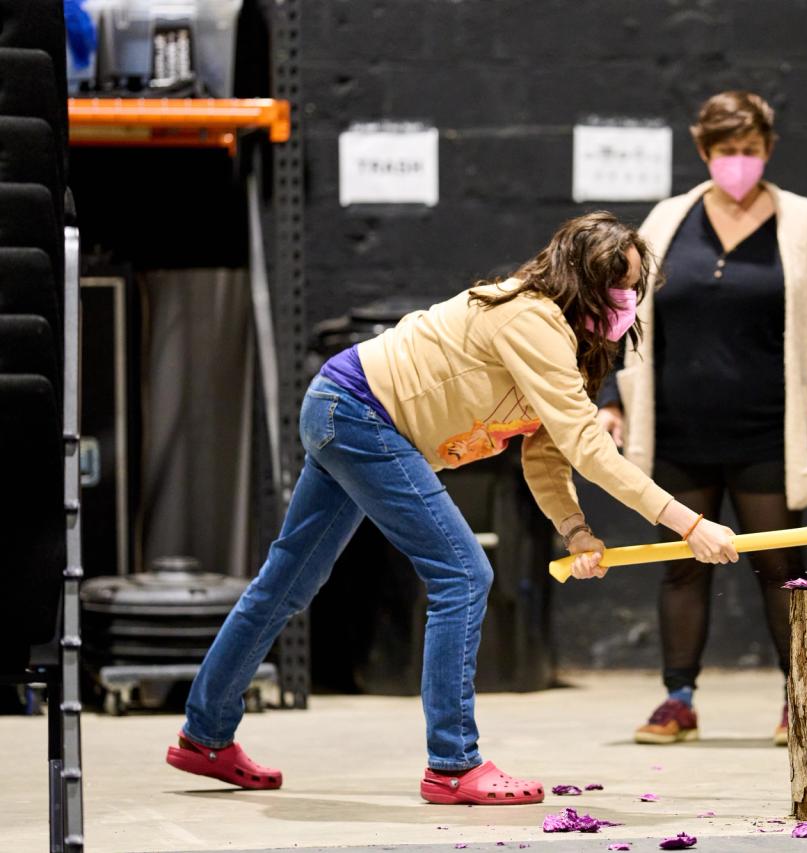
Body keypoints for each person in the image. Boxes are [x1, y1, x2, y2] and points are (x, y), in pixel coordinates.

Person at [164, 212, 740, 803]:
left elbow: (547, 454)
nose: (625, 299)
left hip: (342, 407)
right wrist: (689, 523)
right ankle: (454, 764)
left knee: (286, 583)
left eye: (632, 285)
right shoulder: (532, 319)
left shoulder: (568, 342)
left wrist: (575, 529)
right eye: (615, 284)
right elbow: (590, 448)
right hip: (362, 414)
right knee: (464, 572)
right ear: (580, 281)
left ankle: (204, 735)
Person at [595, 91, 807, 747]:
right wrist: (610, 397)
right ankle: (677, 699)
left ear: (768, 149)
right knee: (682, 564)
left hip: (767, 429)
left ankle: (799, 697)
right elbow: (620, 318)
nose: (738, 163)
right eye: (726, 152)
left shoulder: (803, 221)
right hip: (678, 430)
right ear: (704, 152)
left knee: (780, 566)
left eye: (750, 151)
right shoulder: (666, 221)